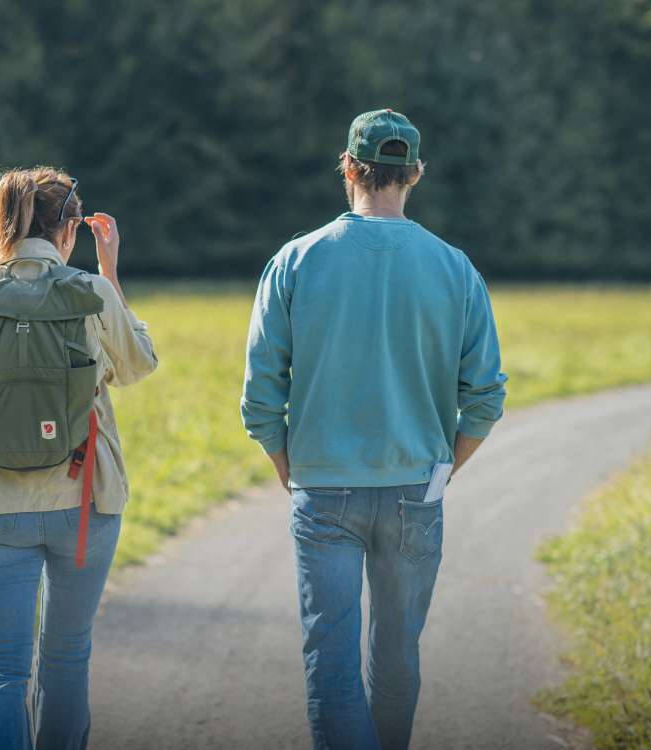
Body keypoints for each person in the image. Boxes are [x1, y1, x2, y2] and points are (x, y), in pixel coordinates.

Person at [240, 109, 507, 750]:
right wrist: (442, 470)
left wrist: (288, 465)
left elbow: (259, 394)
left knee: (329, 666)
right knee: (396, 662)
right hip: (418, 487)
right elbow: (486, 397)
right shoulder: (455, 267)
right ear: (415, 173)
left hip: (323, 489)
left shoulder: (295, 260)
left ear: (349, 168)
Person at [0, 166, 157, 749]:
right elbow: (137, 363)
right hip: (83, 499)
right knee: (66, 657)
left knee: (1, 670)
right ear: (69, 229)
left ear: (4, 223)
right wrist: (110, 273)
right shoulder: (92, 292)